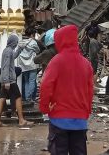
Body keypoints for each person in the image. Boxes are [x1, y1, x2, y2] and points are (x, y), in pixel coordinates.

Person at [40, 25, 94, 155]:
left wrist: (45, 108)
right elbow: (90, 91)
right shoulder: (86, 63)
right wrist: (86, 111)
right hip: (80, 121)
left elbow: (45, 86)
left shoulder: (56, 61)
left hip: (59, 119)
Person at [0, 34, 33, 127]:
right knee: (18, 97)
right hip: (10, 79)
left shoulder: (8, 50)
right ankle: (21, 120)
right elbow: (6, 65)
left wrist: (20, 49)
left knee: (2, 99)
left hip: (5, 78)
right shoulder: (8, 51)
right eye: (16, 42)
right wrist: (7, 80)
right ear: (14, 42)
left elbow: (13, 56)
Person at [16, 27, 40, 102]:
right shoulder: (33, 42)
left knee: (26, 81)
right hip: (32, 64)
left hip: (23, 65)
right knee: (32, 81)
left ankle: (26, 98)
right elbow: (38, 50)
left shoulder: (21, 42)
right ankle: (29, 98)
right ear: (32, 34)